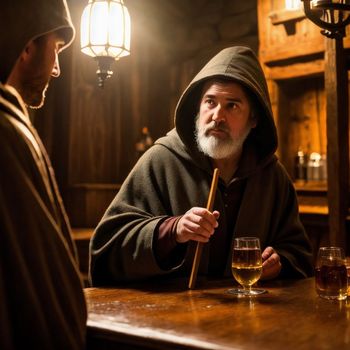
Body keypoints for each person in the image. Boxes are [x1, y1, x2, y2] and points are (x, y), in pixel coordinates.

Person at [89, 46, 314, 286]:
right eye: (210, 102)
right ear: (198, 109)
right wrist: (172, 230)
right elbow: (105, 250)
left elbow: (298, 254)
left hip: (249, 318)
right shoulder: (160, 160)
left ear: (254, 118)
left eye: (232, 105)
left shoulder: (272, 177)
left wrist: (279, 263)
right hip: (171, 317)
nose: (218, 116)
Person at [0, 1, 87, 349]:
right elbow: (37, 284)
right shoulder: (6, 133)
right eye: (56, 49)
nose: (57, 70)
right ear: (26, 46)